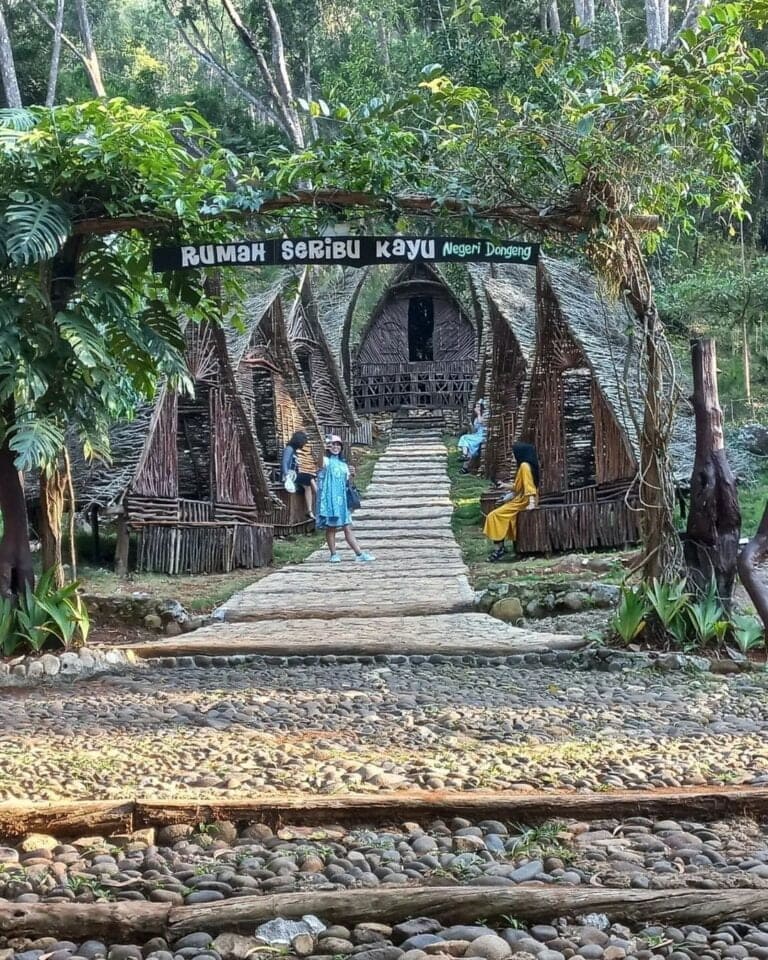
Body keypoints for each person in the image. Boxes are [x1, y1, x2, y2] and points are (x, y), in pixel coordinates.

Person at [316, 435, 375, 564]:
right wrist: (322, 448)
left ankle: (359, 553)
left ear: (341, 447)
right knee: (331, 528)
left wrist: (353, 475)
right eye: (333, 444)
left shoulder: (343, 465)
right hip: (330, 500)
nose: (335, 447)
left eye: (338, 445)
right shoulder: (326, 461)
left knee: (347, 527)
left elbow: (348, 484)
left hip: (342, 501)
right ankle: (333, 554)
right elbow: (319, 462)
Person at [483, 442, 540, 561]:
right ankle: (500, 547)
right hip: (521, 499)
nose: (513, 457)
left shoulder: (524, 466)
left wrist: (531, 503)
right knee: (497, 515)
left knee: (493, 516)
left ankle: (499, 549)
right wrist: (504, 485)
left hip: (524, 501)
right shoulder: (526, 466)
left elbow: (529, 486)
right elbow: (519, 487)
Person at [281, 430, 316, 520]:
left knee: (308, 482)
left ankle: (310, 510)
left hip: (293, 474)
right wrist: (287, 475)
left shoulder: (294, 450)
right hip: (289, 474)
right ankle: (317, 496)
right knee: (309, 479)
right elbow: (284, 462)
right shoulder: (289, 449)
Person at [458, 401, 486, 474]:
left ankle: (464, 455)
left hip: (483, 435)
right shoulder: (476, 418)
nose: (476, 408)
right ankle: (465, 466)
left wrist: (479, 413)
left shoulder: (485, 416)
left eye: (478, 406)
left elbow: (481, 422)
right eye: (476, 406)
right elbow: (474, 431)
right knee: (468, 446)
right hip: (476, 435)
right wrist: (470, 424)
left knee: (464, 437)